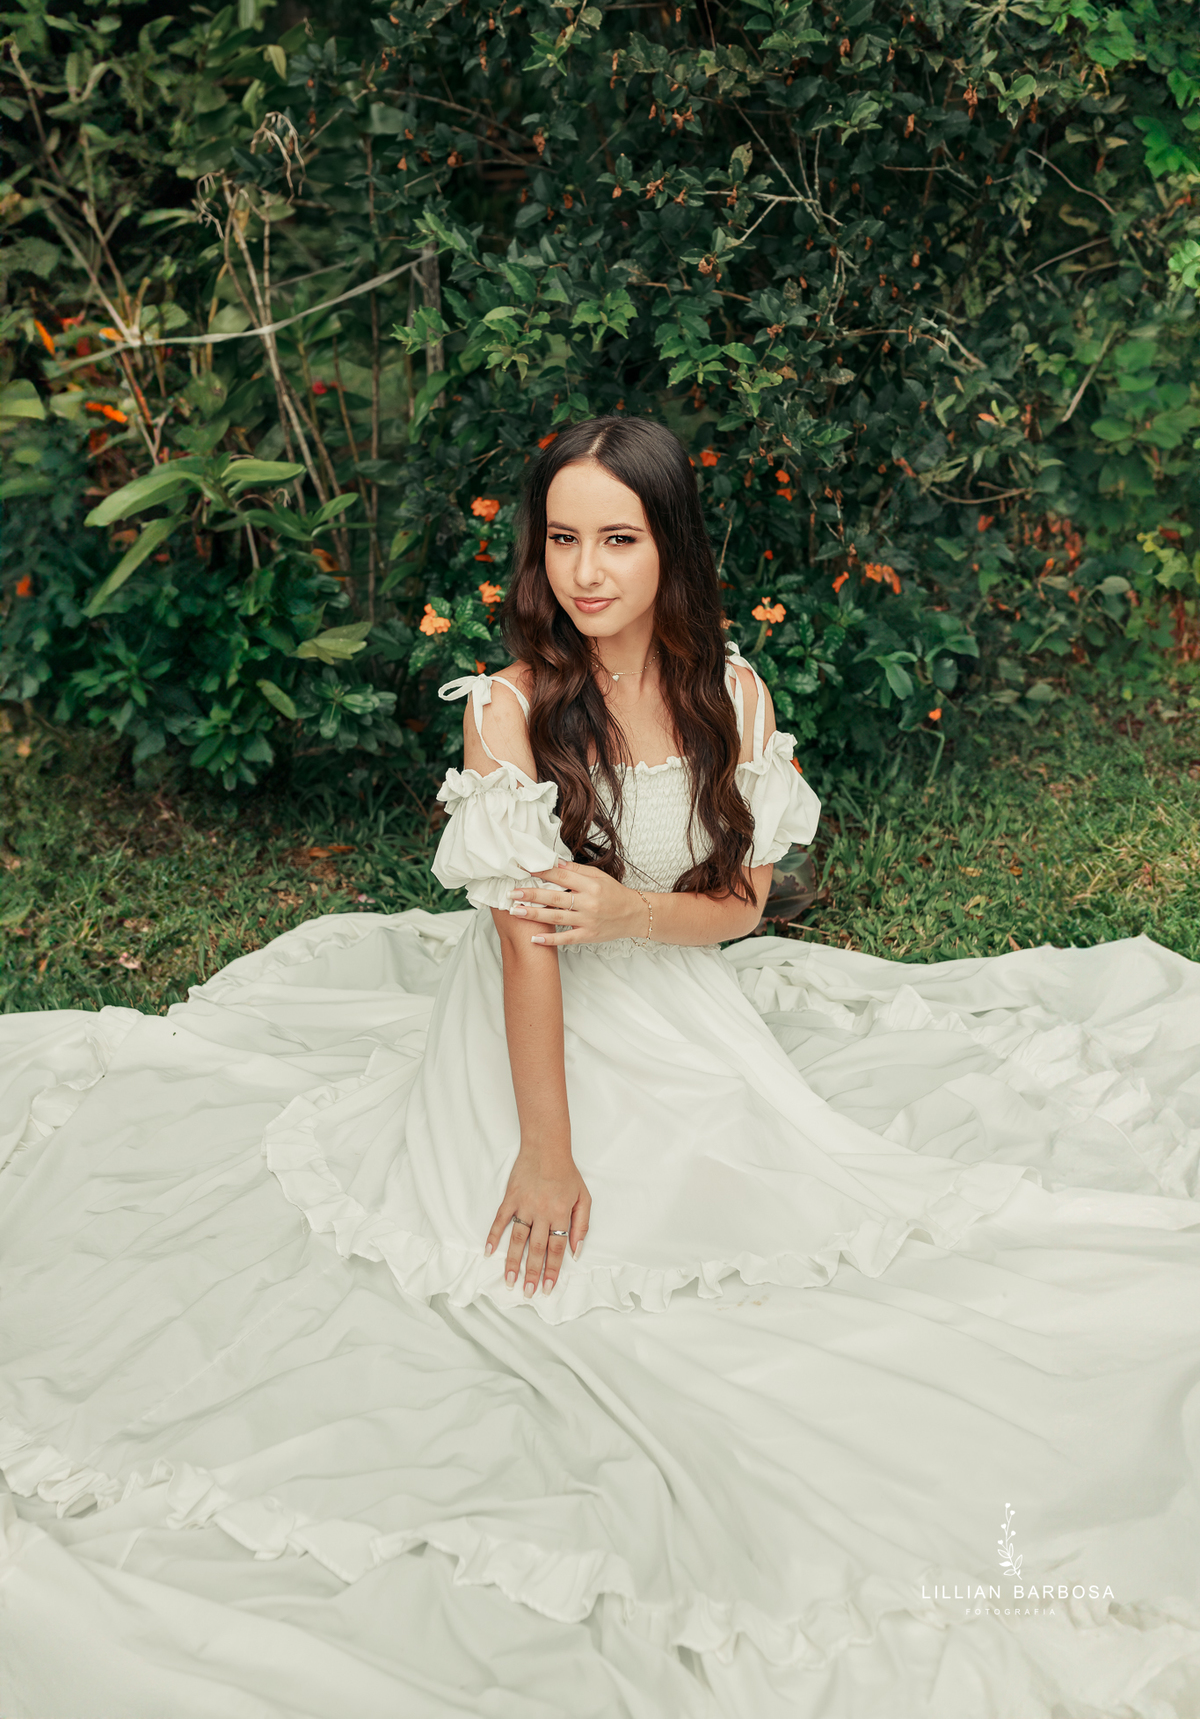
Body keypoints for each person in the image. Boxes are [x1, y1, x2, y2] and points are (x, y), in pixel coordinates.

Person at [1, 414, 1199, 1719]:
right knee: (575, 1269)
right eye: (563, 538)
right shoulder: (509, 710)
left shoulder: (730, 691)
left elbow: (742, 901)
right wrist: (545, 1148)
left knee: (793, 1225)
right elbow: (527, 951)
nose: (586, 571)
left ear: (667, 547)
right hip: (529, 1030)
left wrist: (633, 917)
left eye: (617, 539)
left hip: (676, 992)